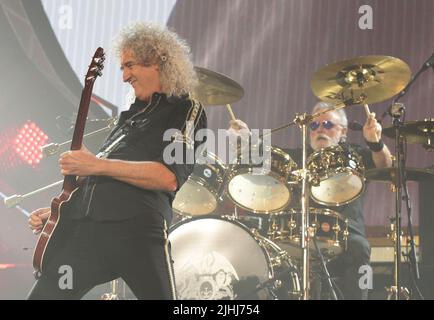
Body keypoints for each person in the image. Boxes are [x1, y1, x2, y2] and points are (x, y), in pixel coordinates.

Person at [27, 22, 206, 300]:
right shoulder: (130, 115)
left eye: (130, 65)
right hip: (87, 232)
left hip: (137, 232)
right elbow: (101, 177)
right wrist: (60, 209)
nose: (124, 76)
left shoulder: (185, 109)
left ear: (157, 62)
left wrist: (95, 164)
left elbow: (168, 177)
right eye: (122, 68)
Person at [229, 101, 392, 299]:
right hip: (300, 235)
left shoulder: (353, 155)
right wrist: (248, 140)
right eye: (314, 126)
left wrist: (375, 142)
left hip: (347, 235)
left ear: (343, 132)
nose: (320, 130)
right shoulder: (299, 157)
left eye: (328, 125)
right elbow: (266, 156)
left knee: (361, 247)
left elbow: (384, 165)